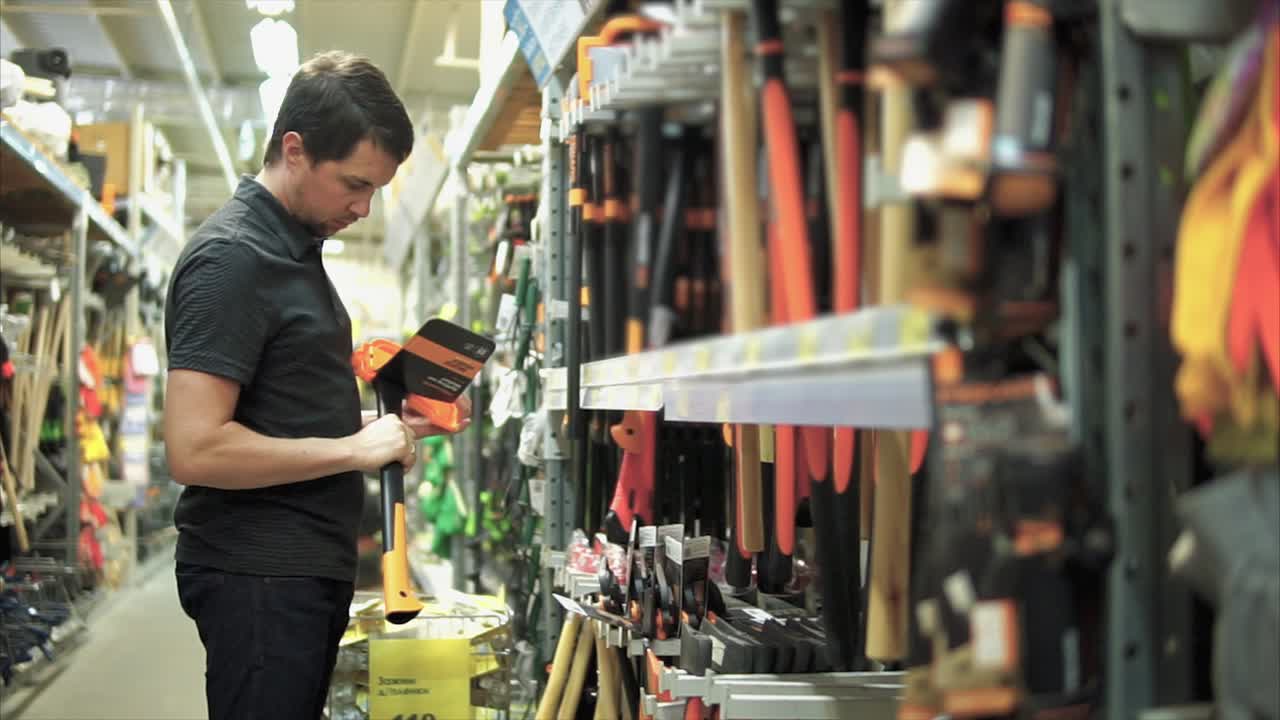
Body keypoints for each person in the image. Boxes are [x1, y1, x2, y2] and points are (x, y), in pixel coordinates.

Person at [163, 51, 467, 720]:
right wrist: (354, 451)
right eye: (354, 184)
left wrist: (383, 429)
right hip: (259, 576)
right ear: (295, 150)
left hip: (296, 572)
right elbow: (195, 449)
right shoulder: (235, 258)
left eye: (375, 190)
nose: (363, 207)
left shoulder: (292, 253)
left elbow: (278, 419)